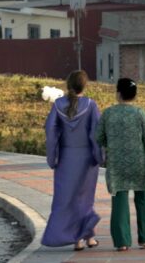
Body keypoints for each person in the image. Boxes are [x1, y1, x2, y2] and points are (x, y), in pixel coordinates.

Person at [95, 77, 145, 252]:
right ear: (134, 95)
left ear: (118, 94)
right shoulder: (140, 113)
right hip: (140, 164)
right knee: (144, 199)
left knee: (119, 201)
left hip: (117, 165)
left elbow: (98, 137)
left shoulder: (108, 113)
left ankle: (122, 242)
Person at [42, 70, 101, 251]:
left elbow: (51, 132)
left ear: (68, 85)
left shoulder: (58, 104)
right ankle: (85, 238)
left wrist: (52, 158)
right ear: (84, 85)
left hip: (66, 159)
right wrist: (99, 156)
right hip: (86, 158)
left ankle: (82, 238)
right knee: (85, 198)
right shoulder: (91, 105)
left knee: (66, 198)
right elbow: (96, 134)